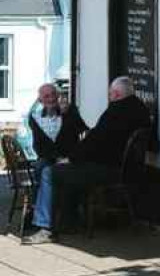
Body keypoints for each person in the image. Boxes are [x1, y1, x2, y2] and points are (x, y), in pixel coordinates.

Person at [23, 77, 151, 244]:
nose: (109, 96)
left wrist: (71, 157)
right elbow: (95, 138)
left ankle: (45, 227)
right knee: (49, 168)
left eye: (110, 93)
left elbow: (94, 139)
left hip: (109, 169)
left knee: (50, 173)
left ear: (117, 94)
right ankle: (68, 220)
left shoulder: (115, 112)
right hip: (127, 167)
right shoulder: (140, 109)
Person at [21, 84, 87, 243]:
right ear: (40, 100)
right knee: (41, 168)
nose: (51, 99)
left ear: (58, 96)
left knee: (49, 172)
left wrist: (68, 114)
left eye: (53, 95)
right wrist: (55, 158)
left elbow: (82, 130)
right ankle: (42, 215)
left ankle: (50, 222)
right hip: (49, 157)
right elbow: (40, 145)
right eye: (46, 97)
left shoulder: (69, 111)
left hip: (70, 157)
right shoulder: (35, 116)